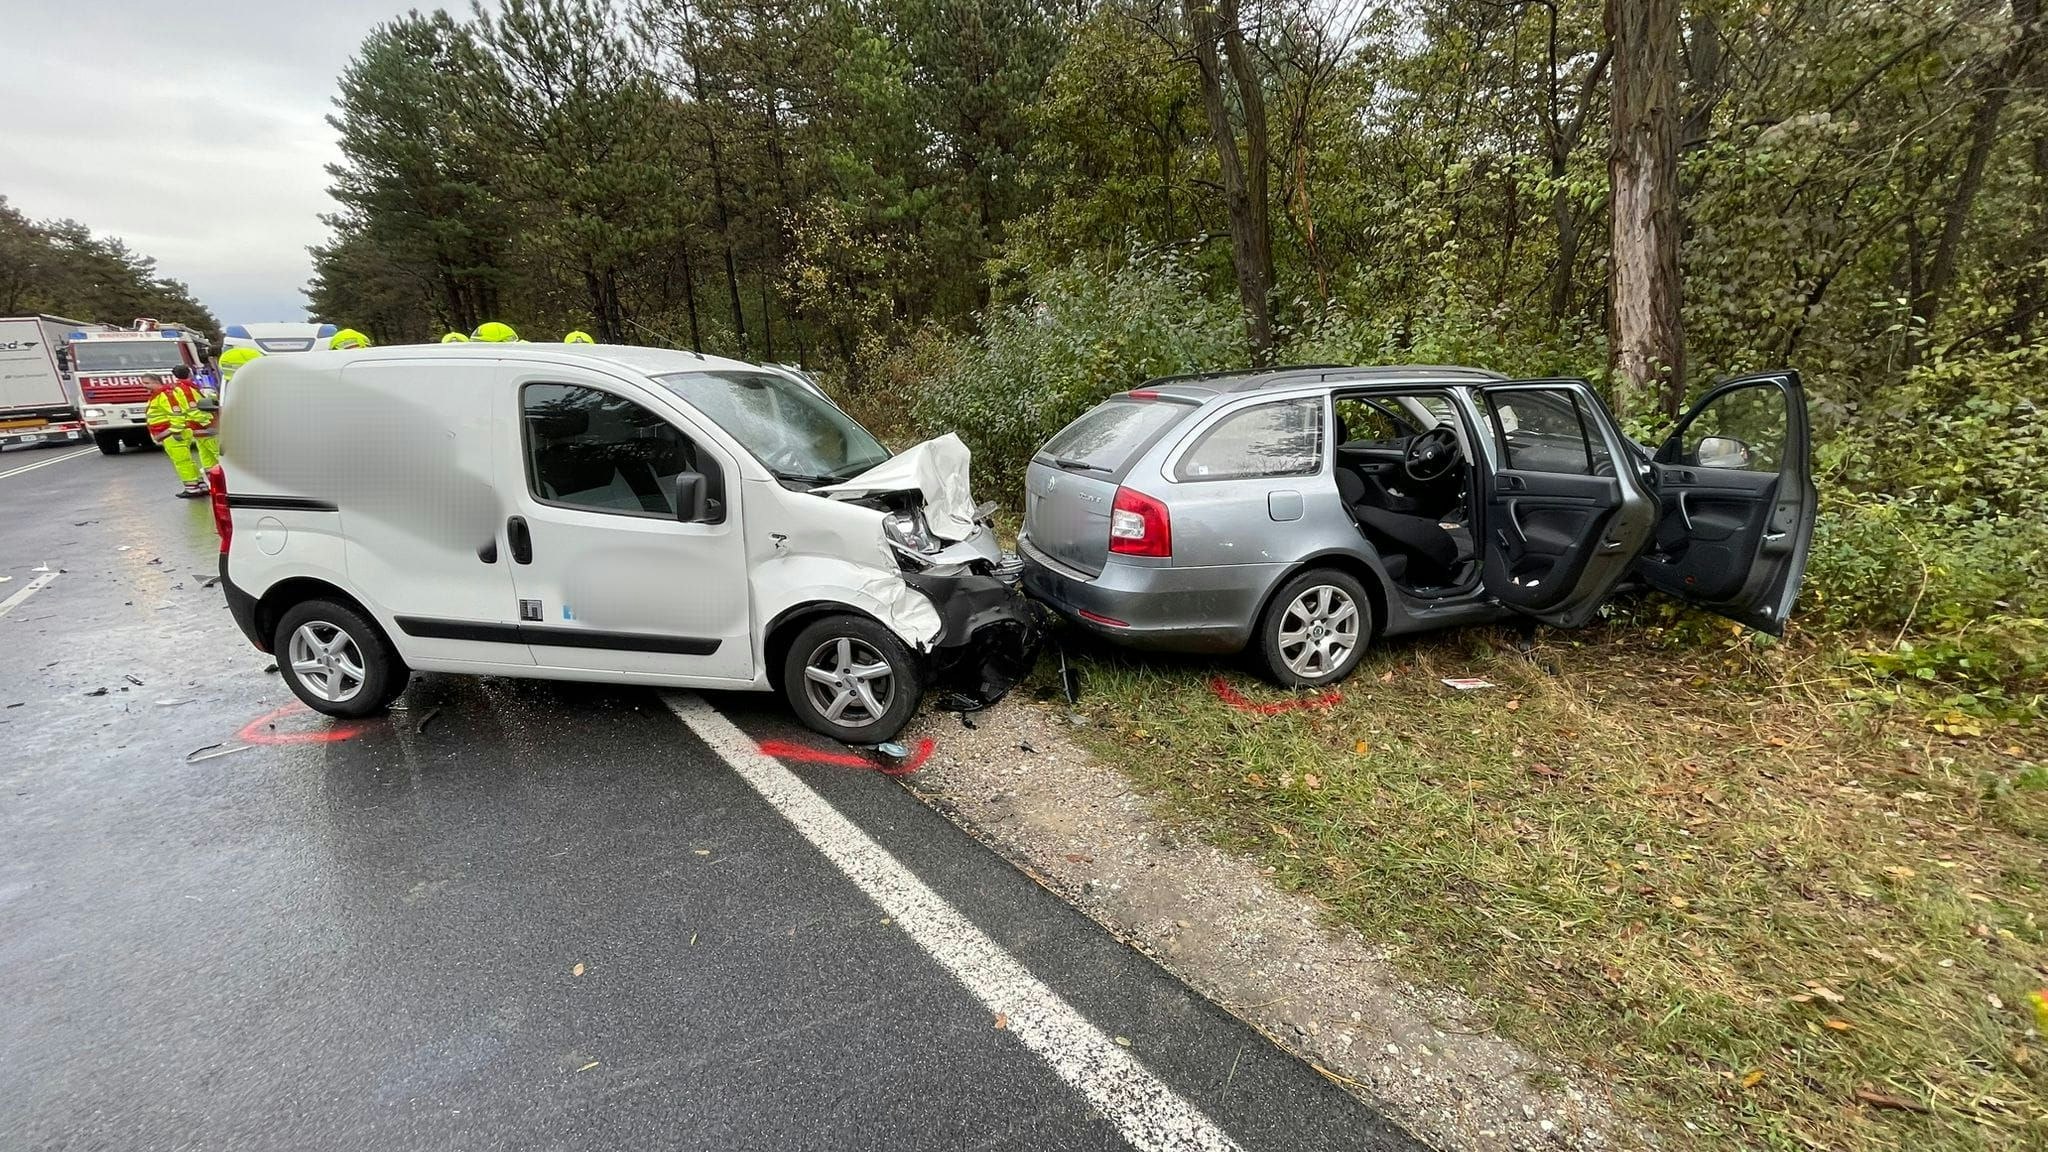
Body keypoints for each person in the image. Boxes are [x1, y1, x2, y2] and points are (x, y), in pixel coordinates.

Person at [146, 365, 219, 498]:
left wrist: (207, 426)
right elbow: (195, 409)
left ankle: (198, 487)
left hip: (196, 428)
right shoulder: (186, 387)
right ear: (190, 373)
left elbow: (190, 411)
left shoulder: (181, 389)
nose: (143, 386)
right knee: (210, 458)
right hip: (199, 427)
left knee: (206, 457)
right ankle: (211, 485)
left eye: (146, 383)